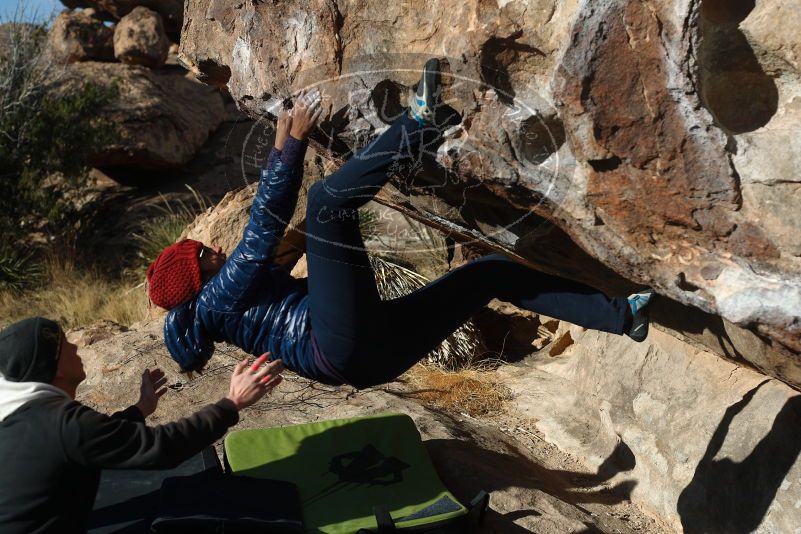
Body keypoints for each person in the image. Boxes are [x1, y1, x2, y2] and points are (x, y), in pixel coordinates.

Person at [147, 58, 655, 389]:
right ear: (197, 277)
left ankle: (621, 317)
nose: (214, 251)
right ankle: (420, 124)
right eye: (204, 255)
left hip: (368, 359)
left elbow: (265, 233)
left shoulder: (223, 304)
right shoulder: (219, 297)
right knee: (326, 202)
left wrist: (281, 147)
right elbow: (263, 226)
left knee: (490, 274)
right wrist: (295, 146)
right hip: (338, 343)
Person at [0, 316, 283, 534]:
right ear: (57, 367)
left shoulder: (18, 415)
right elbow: (162, 448)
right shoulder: (61, 423)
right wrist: (232, 403)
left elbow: (91, 440)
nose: (76, 346)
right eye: (66, 344)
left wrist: (140, 409)